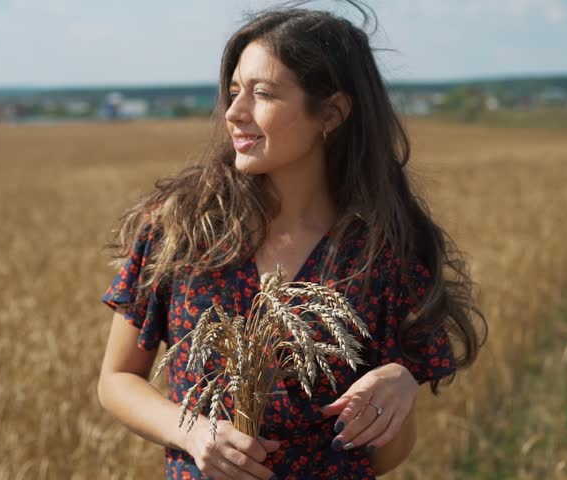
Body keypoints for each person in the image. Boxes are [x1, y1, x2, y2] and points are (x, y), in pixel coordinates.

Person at [96, 1, 486, 478]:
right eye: (234, 91)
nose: (235, 112)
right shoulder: (181, 227)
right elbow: (116, 379)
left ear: (333, 112)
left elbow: (382, 458)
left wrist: (400, 385)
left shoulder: (381, 254)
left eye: (263, 93)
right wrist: (193, 433)